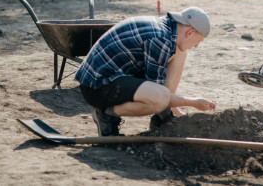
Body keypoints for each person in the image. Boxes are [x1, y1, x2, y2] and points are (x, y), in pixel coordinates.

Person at [74, 7, 216, 136]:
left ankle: (163, 116)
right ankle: (106, 114)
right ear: (190, 32)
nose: (196, 46)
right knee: (160, 99)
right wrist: (193, 102)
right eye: (199, 40)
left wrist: (174, 109)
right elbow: (159, 94)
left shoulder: (167, 30)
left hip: (114, 76)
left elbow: (158, 85)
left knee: (180, 52)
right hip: (96, 87)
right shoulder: (160, 39)